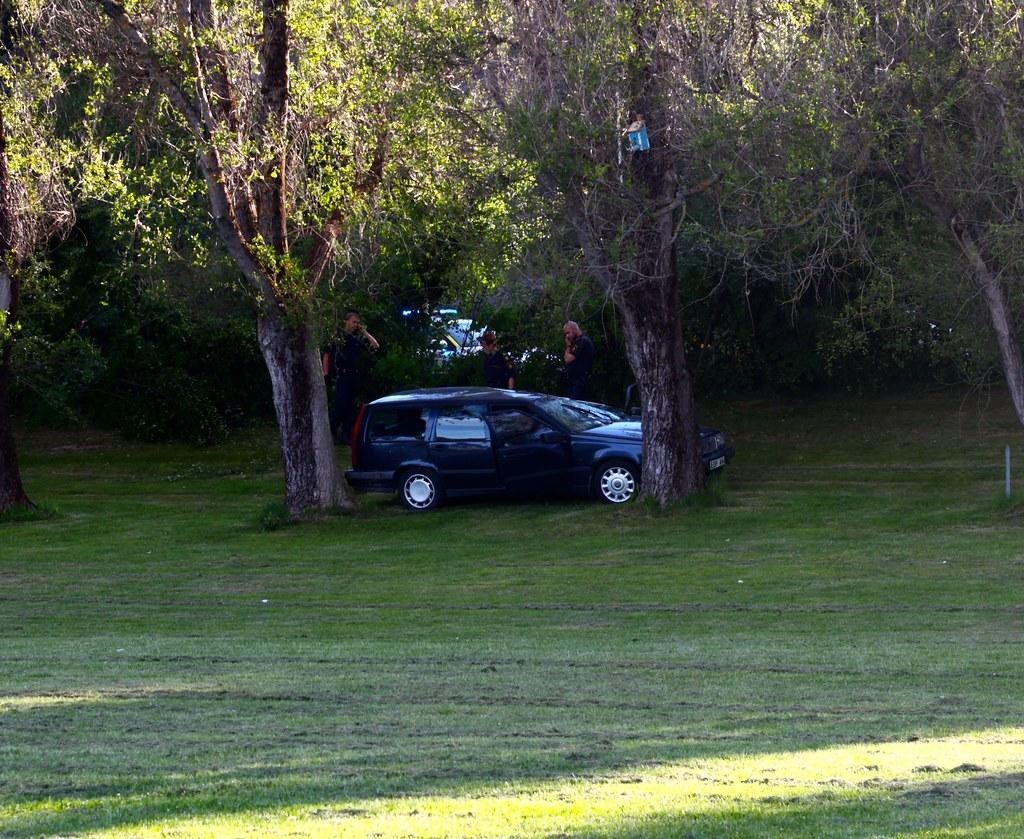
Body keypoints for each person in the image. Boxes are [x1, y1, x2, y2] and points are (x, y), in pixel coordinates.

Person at [323, 310, 379, 444]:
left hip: (354, 375)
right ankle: (333, 431)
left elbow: (375, 345)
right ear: (346, 321)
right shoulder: (337, 336)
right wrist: (325, 373)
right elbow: (326, 354)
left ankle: (346, 435)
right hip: (342, 375)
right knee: (340, 405)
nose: (355, 325)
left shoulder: (356, 338)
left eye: (357, 323)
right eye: (354, 322)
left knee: (350, 407)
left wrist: (364, 332)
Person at [562, 320, 595, 400]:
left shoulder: (582, 341)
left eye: (568, 333)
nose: (567, 336)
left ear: (573, 329)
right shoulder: (577, 342)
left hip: (580, 382)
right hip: (575, 381)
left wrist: (569, 346)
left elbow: (568, 359)